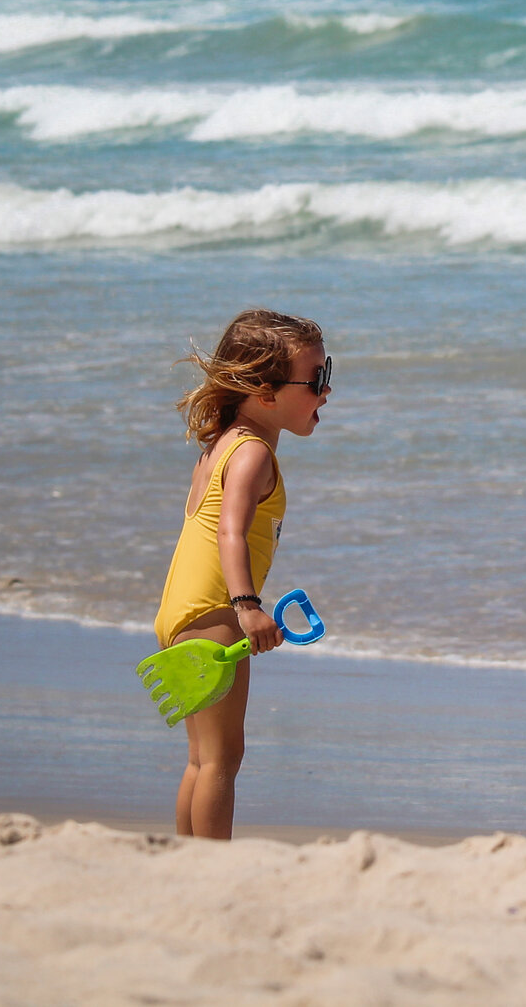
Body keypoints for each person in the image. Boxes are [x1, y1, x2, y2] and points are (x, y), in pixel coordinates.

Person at [152, 308, 331, 839]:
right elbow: (230, 533)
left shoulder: (223, 444)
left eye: (328, 374)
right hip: (215, 614)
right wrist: (247, 605)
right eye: (315, 380)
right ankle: (211, 866)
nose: (326, 392)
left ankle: (187, 858)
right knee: (223, 759)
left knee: (202, 758)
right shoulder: (251, 453)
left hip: (181, 614)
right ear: (264, 391)